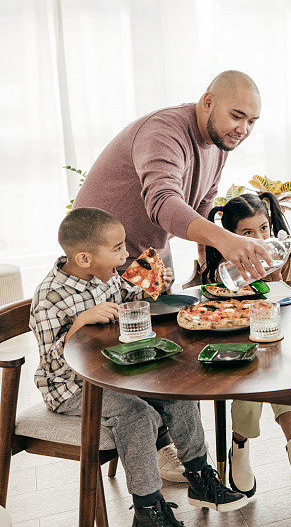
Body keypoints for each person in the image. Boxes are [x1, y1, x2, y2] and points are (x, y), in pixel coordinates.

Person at [73, 70, 273, 481]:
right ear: (207, 102)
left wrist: (208, 256)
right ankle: (155, 452)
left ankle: (170, 448)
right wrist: (227, 241)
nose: (244, 129)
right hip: (99, 259)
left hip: (147, 255)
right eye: (238, 116)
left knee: (166, 349)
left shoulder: (219, 144)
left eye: (252, 121)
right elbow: (162, 202)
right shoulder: (164, 130)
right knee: (127, 355)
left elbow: (202, 202)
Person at [30, 208, 248, 527]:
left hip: (117, 371)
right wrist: (79, 322)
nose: (124, 256)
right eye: (117, 249)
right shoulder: (50, 298)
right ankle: (148, 509)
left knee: (179, 391)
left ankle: (200, 479)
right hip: (71, 389)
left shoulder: (104, 274)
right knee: (137, 413)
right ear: (84, 258)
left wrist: (154, 284)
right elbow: (52, 362)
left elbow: (132, 296)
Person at [201, 192, 291, 498]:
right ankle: (243, 444)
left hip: (276, 342)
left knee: (276, 367)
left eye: (263, 229)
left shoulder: (279, 256)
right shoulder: (224, 268)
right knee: (256, 374)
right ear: (230, 237)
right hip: (235, 351)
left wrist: (276, 273)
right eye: (247, 233)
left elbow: (289, 305)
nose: (259, 238)